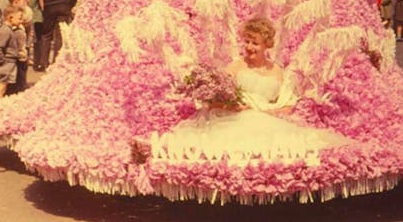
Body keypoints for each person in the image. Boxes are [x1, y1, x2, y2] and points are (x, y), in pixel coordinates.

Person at [149, 17, 349, 164]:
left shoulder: (277, 71)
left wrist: (268, 113)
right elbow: (214, 97)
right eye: (247, 41)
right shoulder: (236, 67)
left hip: (267, 119)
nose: (250, 47)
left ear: (266, 45)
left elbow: (287, 105)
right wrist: (233, 105)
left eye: (255, 43)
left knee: (284, 147)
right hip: (233, 117)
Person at [0, 6, 26, 99]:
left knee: (4, 82)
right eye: (19, 18)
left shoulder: (8, 30)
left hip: (9, 61)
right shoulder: (5, 30)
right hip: (7, 61)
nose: (21, 21)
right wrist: (2, 60)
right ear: (10, 18)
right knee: (2, 82)